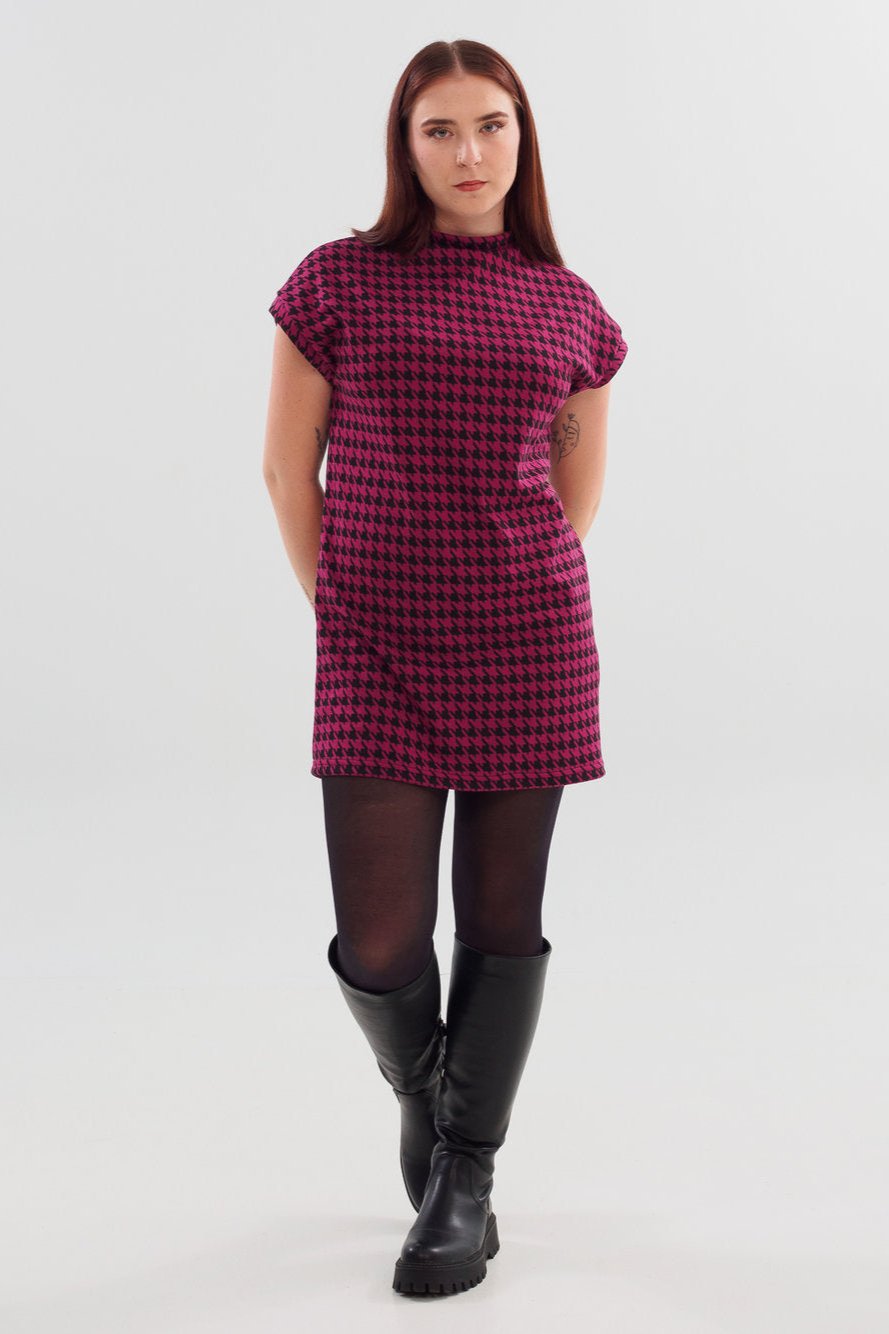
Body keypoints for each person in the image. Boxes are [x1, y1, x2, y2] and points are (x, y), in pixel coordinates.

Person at [262, 38, 628, 1297]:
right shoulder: (336, 283)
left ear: (522, 140)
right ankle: (428, 1084)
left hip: (528, 639)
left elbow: (575, 485)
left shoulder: (566, 303)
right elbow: (282, 469)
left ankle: (463, 1174)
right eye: (440, 130)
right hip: (372, 641)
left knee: (501, 921)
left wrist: (496, 585)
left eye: (492, 127)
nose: (469, 153)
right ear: (402, 144)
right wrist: (350, 605)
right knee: (378, 938)